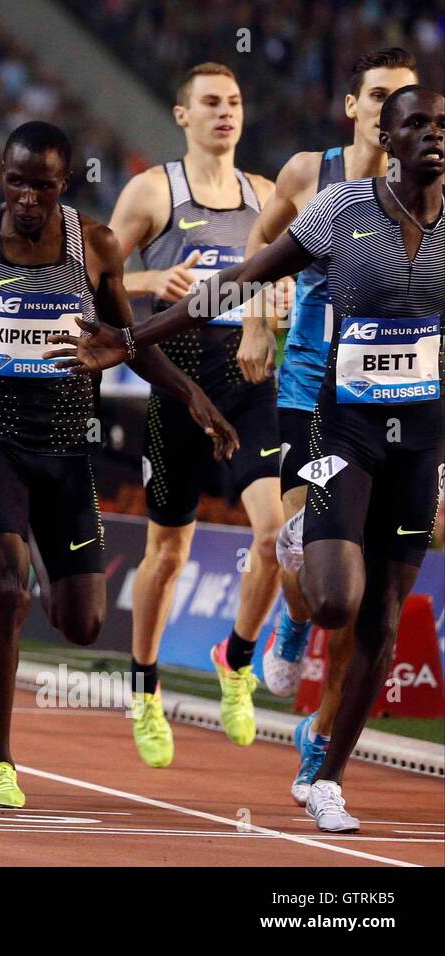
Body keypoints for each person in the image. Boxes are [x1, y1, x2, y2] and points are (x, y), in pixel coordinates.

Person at [49, 85, 444, 833]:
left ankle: (327, 777)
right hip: (343, 428)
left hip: (421, 440)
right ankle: (298, 544)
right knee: (334, 601)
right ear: (387, 139)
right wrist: (135, 339)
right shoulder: (341, 210)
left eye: (443, 125)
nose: (434, 136)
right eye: (417, 124)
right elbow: (238, 280)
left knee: (383, 619)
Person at [0, 121, 237, 807]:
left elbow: (130, 341)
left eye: (42, 184)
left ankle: (39, 561)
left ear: (64, 185)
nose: (27, 198)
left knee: (84, 623)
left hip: (67, 448)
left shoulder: (95, 245)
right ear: (1, 176)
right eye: (15, 181)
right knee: (8, 588)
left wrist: (192, 396)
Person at [244, 49, 418, 806]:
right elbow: (259, 250)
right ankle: (289, 623)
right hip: (310, 388)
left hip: (391, 403)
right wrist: (256, 319)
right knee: (305, 568)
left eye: (405, 99)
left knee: (365, 577)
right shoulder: (307, 174)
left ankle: (320, 727)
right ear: (352, 105)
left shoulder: (427, 191)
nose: (391, 111)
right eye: (378, 96)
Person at [104, 63, 283, 768]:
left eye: (234, 102)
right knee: (168, 552)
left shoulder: (266, 194)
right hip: (176, 382)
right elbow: (97, 272)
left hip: (244, 376)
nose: (224, 113)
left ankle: (235, 661)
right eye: (210, 102)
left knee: (276, 536)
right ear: (182, 115)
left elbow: (284, 271)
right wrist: (152, 280)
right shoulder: (154, 190)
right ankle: (144, 690)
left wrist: (270, 313)